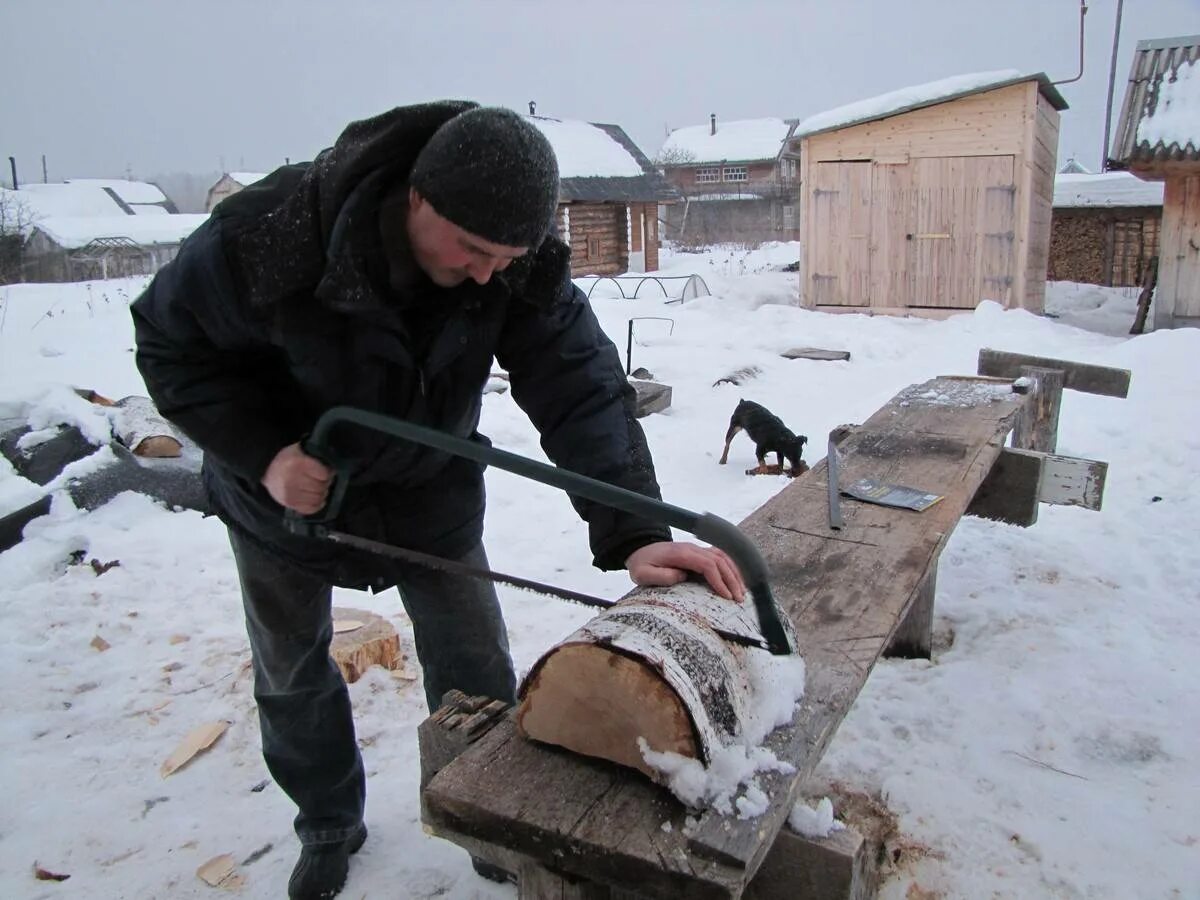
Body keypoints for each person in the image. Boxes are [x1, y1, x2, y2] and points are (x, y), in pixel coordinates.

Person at [131, 101, 745, 900]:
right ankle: (325, 821)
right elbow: (168, 345)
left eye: (510, 256)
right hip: (282, 502)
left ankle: (490, 817)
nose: (491, 273)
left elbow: (581, 384)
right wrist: (265, 453)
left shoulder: (511, 263)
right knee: (291, 669)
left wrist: (632, 524)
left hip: (428, 493)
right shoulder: (271, 237)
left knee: (472, 659)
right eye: (473, 251)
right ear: (419, 198)